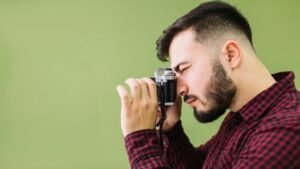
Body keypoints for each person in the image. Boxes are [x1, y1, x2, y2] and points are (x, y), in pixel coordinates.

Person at [116, 1, 300, 168]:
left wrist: (140, 141)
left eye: (184, 68)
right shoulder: (242, 119)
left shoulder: (288, 129)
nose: (180, 89)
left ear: (231, 54)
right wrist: (171, 130)